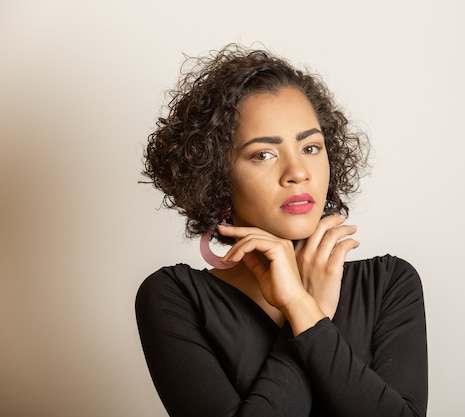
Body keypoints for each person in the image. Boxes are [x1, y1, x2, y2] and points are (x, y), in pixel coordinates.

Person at [135, 43, 428, 417]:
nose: (298, 172)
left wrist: (303, 310)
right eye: (263, 154)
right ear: (217, 175)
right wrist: (307, 313)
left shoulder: (388, 283)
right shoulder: (175, 298)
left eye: (310, 147)